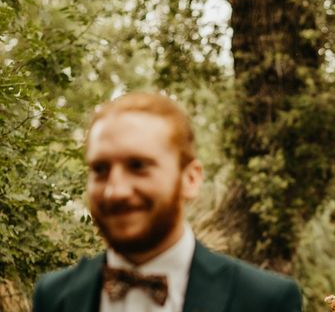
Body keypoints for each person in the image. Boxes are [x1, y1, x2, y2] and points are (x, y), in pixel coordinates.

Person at [32, 92, 302, 312]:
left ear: (191, 179)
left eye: (138, 166)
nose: (116, 192)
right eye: (100, 169)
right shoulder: (54, 297)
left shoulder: (265, 301)